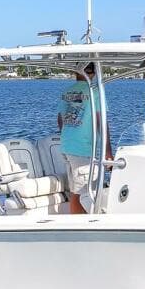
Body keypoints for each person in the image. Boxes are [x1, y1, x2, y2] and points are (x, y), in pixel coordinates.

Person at [57, 63, 111, 214]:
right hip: (83, 150)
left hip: (66, 147)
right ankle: (90, 226)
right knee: (86, 193)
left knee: (76, 192)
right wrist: (108, 152)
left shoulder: (67, 92)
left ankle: (74, 226)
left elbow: (60, 119)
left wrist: (68, 136)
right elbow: (101, 122)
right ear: (93, 73)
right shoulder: (95, 92)